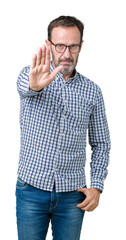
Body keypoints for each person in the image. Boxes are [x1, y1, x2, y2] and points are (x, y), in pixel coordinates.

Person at [16, 15, 111, 240]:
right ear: (48, 44)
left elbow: (101, 143)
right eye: (60, 46)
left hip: (72, 196)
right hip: (30, 191)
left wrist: (96, 186)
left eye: (73, 46)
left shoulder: (93, 92)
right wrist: (35, 85)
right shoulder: (29, 75)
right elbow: (25, 87)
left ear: (81, 46)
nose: (67, 54)